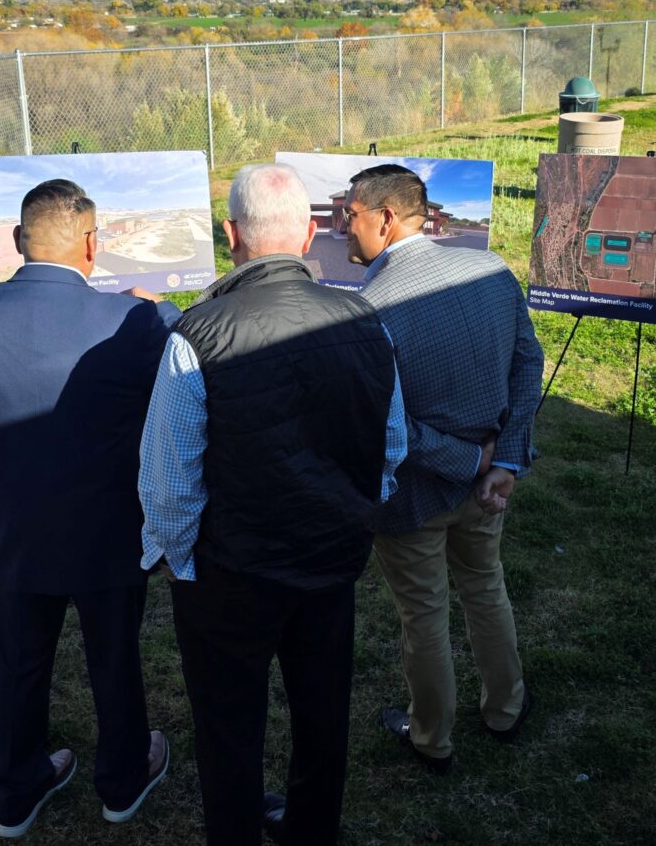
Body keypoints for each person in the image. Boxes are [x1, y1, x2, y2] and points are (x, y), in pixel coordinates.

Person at [139, 163, 407, 846]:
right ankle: (313, 830)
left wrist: (172, 554)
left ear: (231, 235)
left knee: (228, 723)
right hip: (330, 560)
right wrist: (360, 512)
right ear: (312, 232)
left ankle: (236, 833)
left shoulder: (194, 334)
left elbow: (169, 475)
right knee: (324, 712)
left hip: (231, 573)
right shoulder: (365, 320)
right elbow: (393, 443)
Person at [0, 179, 178, 839]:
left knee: (17, 663)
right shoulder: (138, 320)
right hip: (108, 530)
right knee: (115, 659)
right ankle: (122, 781)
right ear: (93, 246)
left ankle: (17, 791)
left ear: (16, 242)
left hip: (9, 526)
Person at [344, 163, 544, 773]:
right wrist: (500, 460)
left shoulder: (368, 308)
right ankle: (505, 708)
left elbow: (386, 427)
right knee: (485, 587)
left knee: (424, 615)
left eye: (347, 215)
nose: (338, 226)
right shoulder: (489, 270)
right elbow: (527, 365)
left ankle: (432, 739)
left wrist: (481, 460)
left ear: (384, 218)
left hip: (412, 496)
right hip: (484, 487)